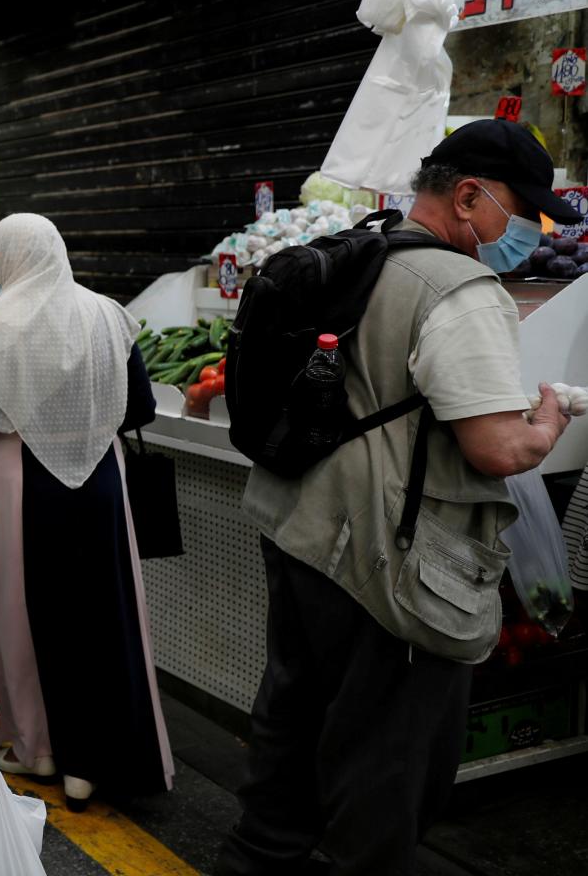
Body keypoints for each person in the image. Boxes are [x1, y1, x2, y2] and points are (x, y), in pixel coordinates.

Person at [217, 119, 578, 876]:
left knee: (292, 730)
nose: (531, 231)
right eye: (523, 211)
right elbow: (496, 447)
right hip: (387, 562)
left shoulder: (365, 251)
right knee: (390, 766)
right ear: (470, 196)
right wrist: (546, 420)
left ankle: (257, 861)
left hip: (301, 531)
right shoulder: (462, 287)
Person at [0, 213, 174, 809]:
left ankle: (40, 749)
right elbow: (139, 406)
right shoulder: (105, 313)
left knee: (24, 613)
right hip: (99, 481)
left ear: (12, 260)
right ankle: (90, 763)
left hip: (18, 483)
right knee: (100, 614)